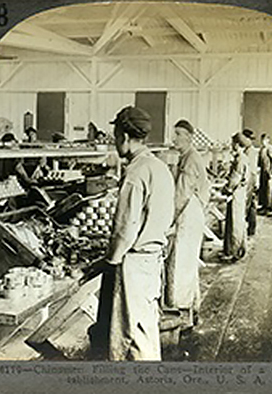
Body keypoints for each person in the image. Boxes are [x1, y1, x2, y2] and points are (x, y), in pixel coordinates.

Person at [92, 106, 175, 361]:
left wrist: (110, 261)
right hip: (152, 260)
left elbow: (125, 228)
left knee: (130, 335)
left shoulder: (136, 172)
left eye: (115, 136)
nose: (116, 142)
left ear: (124, 137)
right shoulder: (160, 168)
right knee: (146, 327)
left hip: (135, 264)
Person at [164, 119, 209, 322]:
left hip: (188, 214)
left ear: (189, 138)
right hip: (191, 212)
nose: (174, 138)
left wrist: (168, 220)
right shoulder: (187, 157)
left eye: (178, 134)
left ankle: (181, 315)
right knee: (188, 263)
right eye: (174, 134)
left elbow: (182, 193)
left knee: (181, 263)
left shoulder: (190, 159)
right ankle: (192, 309)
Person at [221, 132, 251, 262]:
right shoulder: (242, 158)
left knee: (235, 223)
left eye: (233, 143)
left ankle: (234, 253)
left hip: (237, 194)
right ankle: (238, 249)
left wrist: (226, 189)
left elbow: (235, 179)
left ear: (237, 144)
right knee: (238, 221)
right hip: (240, 193)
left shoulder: (240, 159)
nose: (231, 145)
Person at [242, 129, 258, 236]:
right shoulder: (248, 150)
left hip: (250, 179)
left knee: (248, 205)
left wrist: (253, 183)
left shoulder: (250, 151)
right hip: (250, 178)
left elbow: (251, 169)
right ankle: (250, 228)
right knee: (251, 204)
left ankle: (249, 228)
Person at [257, 134, 272, 214]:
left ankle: (268, 207)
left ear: (268, 140)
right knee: (263, 189)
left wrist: (271, 170)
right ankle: (263, 205)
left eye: (264, 140)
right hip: (263, 171)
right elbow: (260, 160)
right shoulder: (262, 149)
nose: (263, 142)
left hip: (268, 171)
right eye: (262, 140)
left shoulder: (270, 149)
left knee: (268, 190)